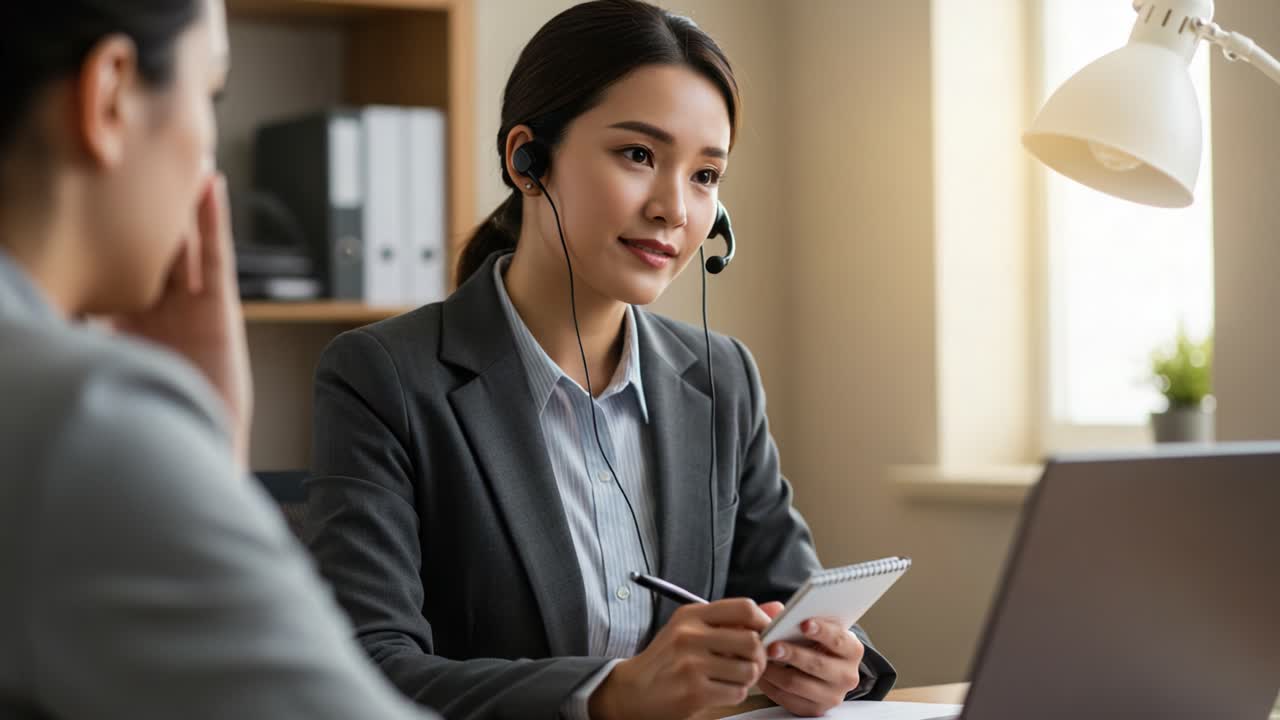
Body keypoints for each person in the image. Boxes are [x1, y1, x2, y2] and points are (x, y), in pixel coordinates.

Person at [306, 1, 898, 718]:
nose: (675, 210)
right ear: (528, 160)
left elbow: (799, 601)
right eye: (639, 155)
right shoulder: (383, 378)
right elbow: (366, 670)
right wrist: (611, 694)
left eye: (706, 175)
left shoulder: (721, 378)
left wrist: (833, 660)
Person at [0, 2, 440, 718]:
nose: (208, 158)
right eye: (211, 94)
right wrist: (189, 455)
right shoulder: (84, 423)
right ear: (109, 93)